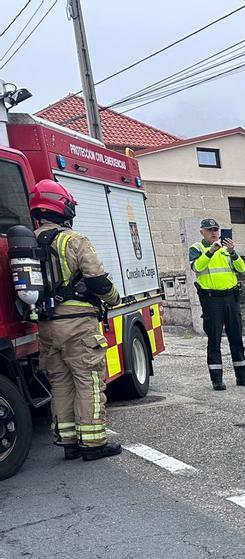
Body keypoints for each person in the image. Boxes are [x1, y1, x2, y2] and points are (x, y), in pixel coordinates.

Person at [29, 179, 122, 461]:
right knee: (88, 380)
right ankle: (93, 444)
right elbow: (96, 279)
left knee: (60, 382)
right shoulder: (74, 240)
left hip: (46, 325)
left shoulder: (27, 242)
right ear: (63, 207)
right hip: (79, 323)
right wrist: (114, 298)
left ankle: (67, 440)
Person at [190, 218, 245, 390]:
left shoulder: (227, 249)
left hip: (231, 297)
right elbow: (197, 267)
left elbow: (241, 268)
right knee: (214, 340)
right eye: (209, 230)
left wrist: (233, 252)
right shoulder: (197, 248)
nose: (213, 233)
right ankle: (217, 380)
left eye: (216, 230)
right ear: (202, 232)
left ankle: (242, 376)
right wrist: (211, 251)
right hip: (212, 299)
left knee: (236, 337)